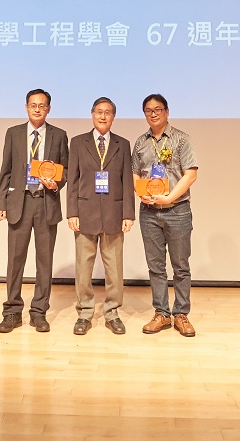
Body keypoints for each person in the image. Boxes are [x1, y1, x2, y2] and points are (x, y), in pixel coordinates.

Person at [0, 88, 68, 332]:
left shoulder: (59, 135)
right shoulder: (14, 133)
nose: (37, 109)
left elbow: (66, 170)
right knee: (15, 261)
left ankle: (39, 312)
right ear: (26, 107)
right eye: (33, 105)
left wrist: (56, 183)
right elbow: (6, 169)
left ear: (49, 109)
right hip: (20, 202)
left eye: (42, 105)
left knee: (44, 261)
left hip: (46, 202)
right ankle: (12, 312)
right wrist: (0, 201)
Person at [65, 97, 136, 335]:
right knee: (83, 269)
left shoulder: (123, 144)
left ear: (113, 116)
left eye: (108, 112)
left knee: (114, 269)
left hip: (114, 214)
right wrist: (72, 212)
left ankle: (112, 313)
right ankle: (85, 313)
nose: (103, 116)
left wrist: (128, 214)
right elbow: (73, 181)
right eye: (99, 112)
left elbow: (127, 181)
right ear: (92, 114)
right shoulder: (78, 142)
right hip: (85, 214)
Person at [131, 92, 199, 337]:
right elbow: (135, 173)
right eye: (148, 110)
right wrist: (141, 193)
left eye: (158, 109)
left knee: (181, 266)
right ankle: (161, 313)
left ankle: (181, 314)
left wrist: (169, 198)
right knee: (156, 267)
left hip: (177, 210)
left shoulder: (181, 139)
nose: (153, 114)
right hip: (149, 212)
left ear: (167, 112)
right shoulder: (140, 142)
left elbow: (191, 174)